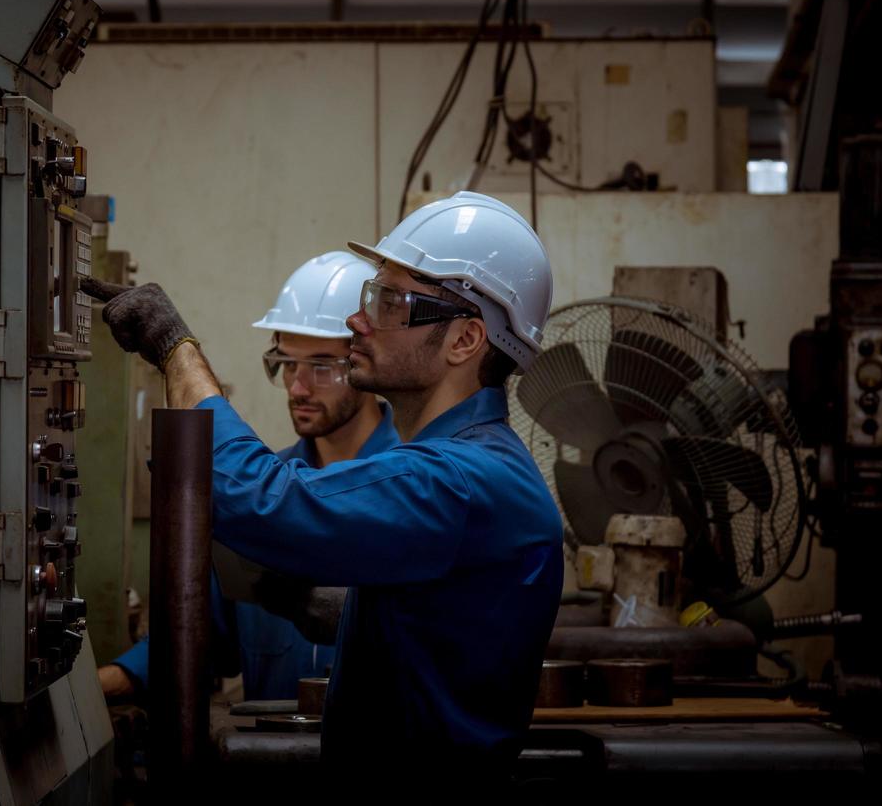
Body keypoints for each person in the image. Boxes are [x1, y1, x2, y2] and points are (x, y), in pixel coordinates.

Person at [85, 191, 564, 785]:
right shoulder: (468, 469)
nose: (358, 321)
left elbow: (260, 498)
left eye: (391, 301)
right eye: (371, 295)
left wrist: (174, 349)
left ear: (465, 341)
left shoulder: (459, 479)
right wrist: (356, 614)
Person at [98, 251, 398, 702]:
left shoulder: (413, 483)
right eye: (286, 364)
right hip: (268, 762)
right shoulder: (252, 495)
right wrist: (95, 688)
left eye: (320, 366)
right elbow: (196, 638)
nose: (297, 388)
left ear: (366, 362)